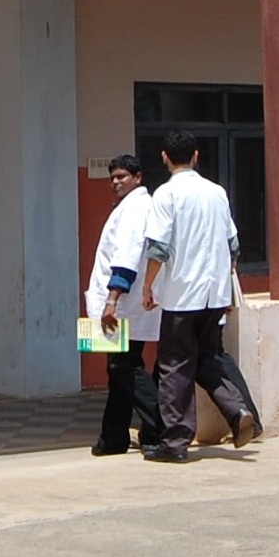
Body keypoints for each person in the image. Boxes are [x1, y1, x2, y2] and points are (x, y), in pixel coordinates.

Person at [137, 131, 258, 462]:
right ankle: (237, 410)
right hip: (213, 294)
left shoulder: (166, 194)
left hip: (181, 295)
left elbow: (158, 248)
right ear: (196, 156)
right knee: (205, 357)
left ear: (164, 157)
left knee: (174, 366)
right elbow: (233, 245)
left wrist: (148, 287)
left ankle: (175, 442)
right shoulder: (217, 193)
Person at [86, 152, 163, 456]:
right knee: (118, 370)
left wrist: (112, 300)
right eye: (112, 178)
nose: (116, 182)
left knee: (124, 367)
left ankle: (161, 426)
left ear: (138, 177)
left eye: (122, 177)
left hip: (122, 306)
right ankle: (114, 437)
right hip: (128, 305)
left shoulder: (135, 208)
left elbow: (126, 257)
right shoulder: (133, 206)